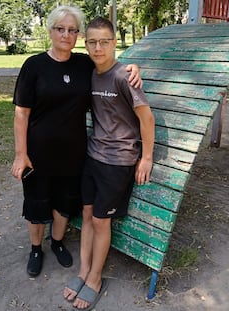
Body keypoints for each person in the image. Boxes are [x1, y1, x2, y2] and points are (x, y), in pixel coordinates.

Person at [11, 6, 142, 278]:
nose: (66, 35)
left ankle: (57, 242)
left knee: (65, 203)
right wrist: (20, 154)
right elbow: (21, 113)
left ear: (77, 35)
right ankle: (36, 248)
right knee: (37, 202)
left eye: (72, 30)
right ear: (50, 31)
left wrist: (134, 66)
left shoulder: (83, 64)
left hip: (75, 153)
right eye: (61, 29)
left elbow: (109, 63)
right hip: (38, 153)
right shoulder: (34, 66)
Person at [64, 17, 155, 310]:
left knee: (102, 220)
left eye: (104, 41)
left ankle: (95, 278)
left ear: (115, 43)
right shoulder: (90, 72)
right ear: (85, 43)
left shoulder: (123, 76)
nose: (98, 47)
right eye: (92, 42)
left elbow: (146, 118)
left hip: (118, 161)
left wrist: (147, 157)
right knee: (88, 214)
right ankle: (83, 271)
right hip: (93, 156)